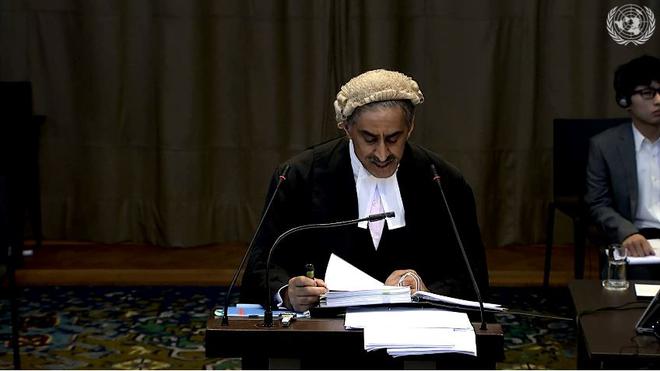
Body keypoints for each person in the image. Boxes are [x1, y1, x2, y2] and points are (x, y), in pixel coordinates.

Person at [240, 69, 489, 311]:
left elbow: (471, 275)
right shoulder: (298, 176)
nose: (382, 154)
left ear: (410, 128)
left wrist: (427, 290)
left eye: (393, 138)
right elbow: (262, 265)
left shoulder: (442, 181)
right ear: (347, 128)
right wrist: (288, 293)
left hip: (414, 333)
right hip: (323, 333)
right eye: (369, 139)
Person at [585, 55, 660, 277]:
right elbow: (598, 203)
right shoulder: (604, 146)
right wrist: (627, 233)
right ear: (625, 101)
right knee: (636, 289)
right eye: (648, 93)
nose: (658, 100)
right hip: (635, 235)